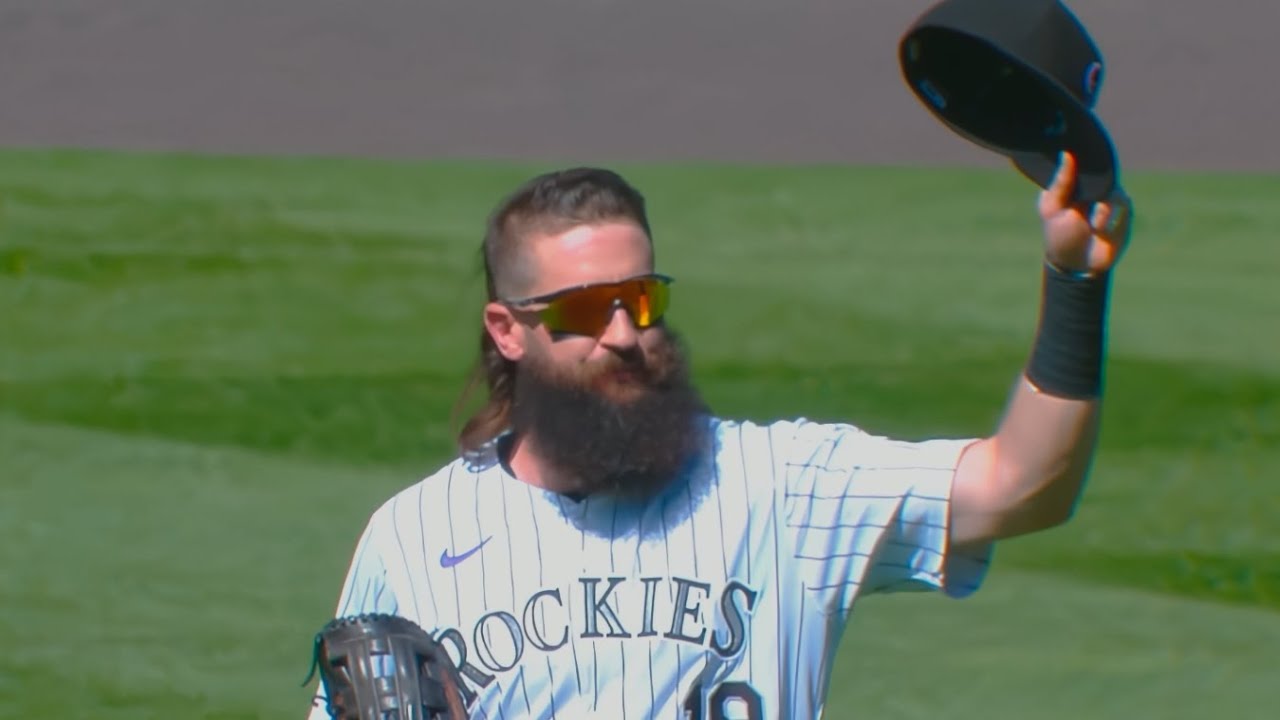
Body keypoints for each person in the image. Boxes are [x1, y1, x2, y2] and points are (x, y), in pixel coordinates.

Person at [306, 154, 1133, 719]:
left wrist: (1076, 284)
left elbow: (1024, 484)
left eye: (643, 299)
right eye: (589, 311)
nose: (626, 333)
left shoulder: (780, 483)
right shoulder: (414, 536)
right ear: (508, 330)